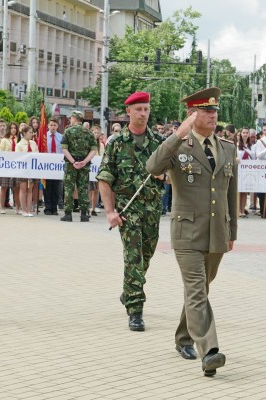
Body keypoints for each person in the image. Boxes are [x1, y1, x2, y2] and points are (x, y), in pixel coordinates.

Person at [146, 87, 237, 377]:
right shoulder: (178, 148)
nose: (213, 115)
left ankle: (183, 337)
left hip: (217, 232)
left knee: (200, 291)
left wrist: (232, 230)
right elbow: (152, 166)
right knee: (197, 290)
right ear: (192, 114)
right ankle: (209, 351)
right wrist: (175, 136)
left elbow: (230, 194)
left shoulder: (228, 148)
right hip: (187, 232)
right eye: (206, 111)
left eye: (215, 111)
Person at [97, 91, 165, 332]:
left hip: (153, 208)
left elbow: (174, 173)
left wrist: (164, 175)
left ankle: (128, 290)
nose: (143, 113)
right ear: (128, 112)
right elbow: (105, 179)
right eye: (138, 109)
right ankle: (135, 309)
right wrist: (109, 212)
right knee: (133, 257)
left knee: (146, 254)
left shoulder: (158, 142)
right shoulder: (116, 143)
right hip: (128, 210)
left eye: (146, 109)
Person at [60, 111, 98, 222]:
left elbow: (64, 148)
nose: (70, 120)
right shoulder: (89, 133)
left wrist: (73, 162)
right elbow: (94, 150)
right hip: (84, 165)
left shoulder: (68, 131)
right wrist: (84, 162)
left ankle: (68, 214)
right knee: (83, 188)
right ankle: (84, 214)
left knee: (69, 188)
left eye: (71, 118)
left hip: (71, 165)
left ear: (74, 118)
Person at [16, 125, 39, 217]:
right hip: (23, 169)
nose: (32, 134)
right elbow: (18, 157)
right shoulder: (19, 145)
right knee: (23, 189)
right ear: (24, 133)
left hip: (32, 169)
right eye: (30, 132)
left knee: (30, 189)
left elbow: (37, 154)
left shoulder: (33, 143)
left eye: (32, 132)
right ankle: (24, 209)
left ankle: (29, 209)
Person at [44, 119, 63, 216]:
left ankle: (54, 208)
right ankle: (48, 207)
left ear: (57, 126)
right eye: (51, 125)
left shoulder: (61, 137)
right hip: (47, 165)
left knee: (56, 188)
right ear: (48, 126)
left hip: (57, 166)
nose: (53, 127)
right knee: (47, 187)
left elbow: (63, 151)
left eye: (55, 125)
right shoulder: (44, 136)